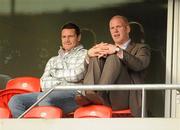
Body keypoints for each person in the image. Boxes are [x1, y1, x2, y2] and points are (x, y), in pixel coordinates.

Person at [8, 22, 87, 118]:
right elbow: (43, 83)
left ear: (78, 37)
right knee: (15, 101)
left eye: (70, 36)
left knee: (44, 98)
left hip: (75, 95)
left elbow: (76, 75)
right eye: (64, 37)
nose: (67, 40)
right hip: (48, 94)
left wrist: (55, 73)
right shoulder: (53, 60)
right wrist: (64, 81)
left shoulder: (85, 54)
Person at [83, 15, 151, 117]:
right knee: (95, 55)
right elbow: (85, 72)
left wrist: (118, 51)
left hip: (124, 97)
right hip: (106, 98)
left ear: (127, 29)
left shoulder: (141, 48)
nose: (115, 31)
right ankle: (89, 94)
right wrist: (89, 55)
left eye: (118, 27)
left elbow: (140, 65)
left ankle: (98, 95)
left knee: (114, 57)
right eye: (112, 28)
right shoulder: (107, 48)